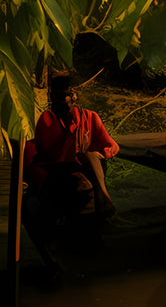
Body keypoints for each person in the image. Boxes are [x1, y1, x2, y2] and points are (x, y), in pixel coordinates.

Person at [23, 74, 120, 252]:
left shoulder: (90, 117)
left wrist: (105, 152)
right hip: (58, 169)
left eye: (65, 97)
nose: (61, 103)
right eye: (56, 98)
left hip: (86, 166)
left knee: (89, 156)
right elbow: (48, 155)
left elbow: (112, 144)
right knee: (82, 161)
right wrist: (70, 141)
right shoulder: (47, 119)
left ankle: (102, 199)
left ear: (73, 96)